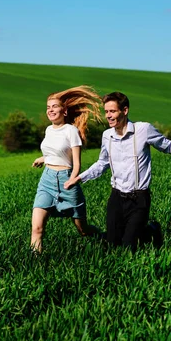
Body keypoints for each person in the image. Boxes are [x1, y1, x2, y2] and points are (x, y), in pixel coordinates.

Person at [65, 91, 171, 252]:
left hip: (139, 197)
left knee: (129, 246)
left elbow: (166, 145)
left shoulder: (143, 130)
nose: (108, 116)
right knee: (113, 243)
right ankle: (143, 231)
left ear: (125, 111)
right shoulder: (107, 136)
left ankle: (152, 230)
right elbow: (102, 163)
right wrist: (79, 178)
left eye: (112, 111)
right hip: (117, 197)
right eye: (106, 112)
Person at [30, 85, 104, 253]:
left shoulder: (71, 131)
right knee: (37, 229)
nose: (50, 110)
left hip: (67, 180)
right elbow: (55, 152)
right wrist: (43, 159)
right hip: (46, 180)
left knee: (83, 230)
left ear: (64, 111)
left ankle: (104, 238)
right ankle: (35, 263)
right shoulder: (48, 130)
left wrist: (73, 179)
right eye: (48, 107)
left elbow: (76, 162)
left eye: (54, 106)